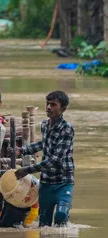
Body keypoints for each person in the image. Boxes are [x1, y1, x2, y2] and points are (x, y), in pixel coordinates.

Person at [15, 91, 74, 227]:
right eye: (48, 104)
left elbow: (56, 160)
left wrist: (28, 169)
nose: (48, 107)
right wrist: (22, 150)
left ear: (63, 109)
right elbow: (44, 144)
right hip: (47, 181)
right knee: (44, 224)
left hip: (63, 180)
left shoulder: (66, 129)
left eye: (53, 105)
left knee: (61, 214)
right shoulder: (44, 125)